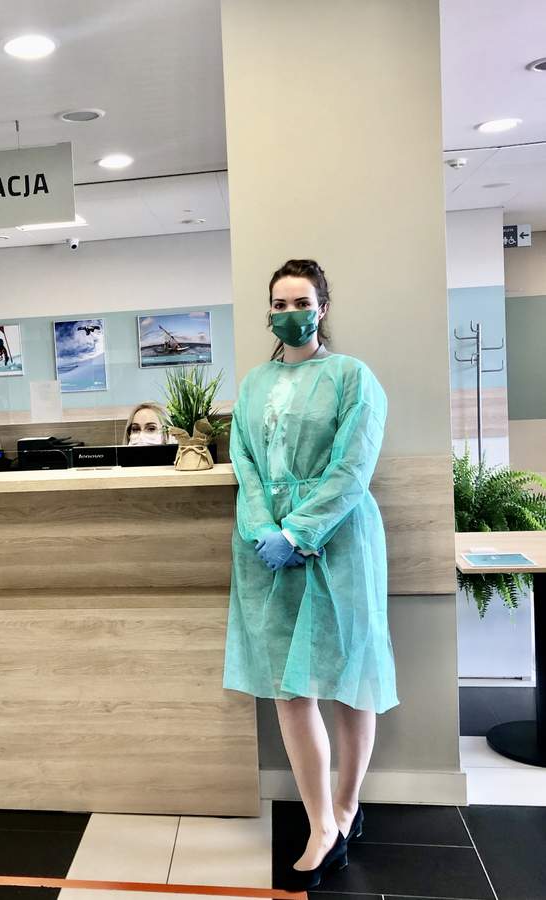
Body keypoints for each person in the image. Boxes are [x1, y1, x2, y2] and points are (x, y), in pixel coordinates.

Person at [223, 259, 397, 891]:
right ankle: (319, 824)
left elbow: (353, 467)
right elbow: (244, 460)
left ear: (322, 307)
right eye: (279, 303)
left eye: (301, 302)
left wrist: (301, 531)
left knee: (350, 678)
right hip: (266, 546)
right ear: (269, 312)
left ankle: (347, 809)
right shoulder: (253, 384)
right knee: (289, 687)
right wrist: (263, 527)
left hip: (340, 540)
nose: (290, 312)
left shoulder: (353, 377)